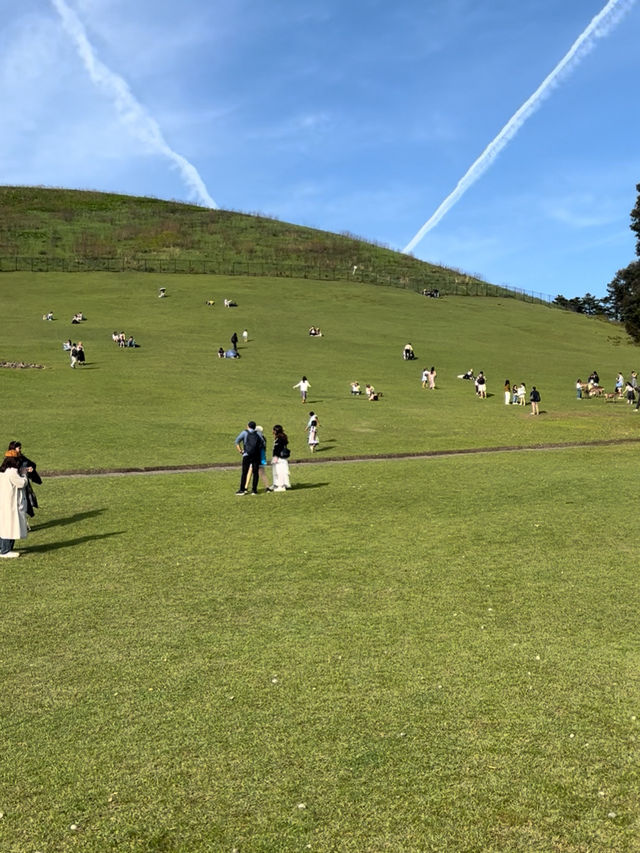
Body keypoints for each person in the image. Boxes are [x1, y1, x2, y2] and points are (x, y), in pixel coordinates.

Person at [0, 451, 28, 558]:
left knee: (3, 526)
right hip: (11, 504)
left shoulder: (3, 471)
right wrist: (24, 474)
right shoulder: (12, 472)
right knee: (9, 526)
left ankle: (3, 548)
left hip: (3, 503)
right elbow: (21, 483)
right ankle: (5, 550)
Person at [8, 440, 41, 521]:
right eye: (18, 448)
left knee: (24, 504)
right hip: (14, 486)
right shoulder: (9, 460)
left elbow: (31, 464)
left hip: (23, 484)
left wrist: (30, 470)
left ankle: (23, 523)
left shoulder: (21, 457)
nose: (20, 450)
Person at [234, 421, 265, 495]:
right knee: (255, 473)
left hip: (247, 454)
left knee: (244, 472)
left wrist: (241, 451)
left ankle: (242, 490)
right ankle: (254, 490)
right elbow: (263, 444)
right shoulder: (258, 433)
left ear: (248, 426)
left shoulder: (245, 432)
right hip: (256, 455)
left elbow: (237, 441)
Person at [272, 425, 291, 491]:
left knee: (279, 471)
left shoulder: (279, 439)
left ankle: (281, 486)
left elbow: (277, 449)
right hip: (281, 457)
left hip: (278, 457)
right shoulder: (282, 437)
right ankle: (277, 484)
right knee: (279, 471)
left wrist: (275, 457)